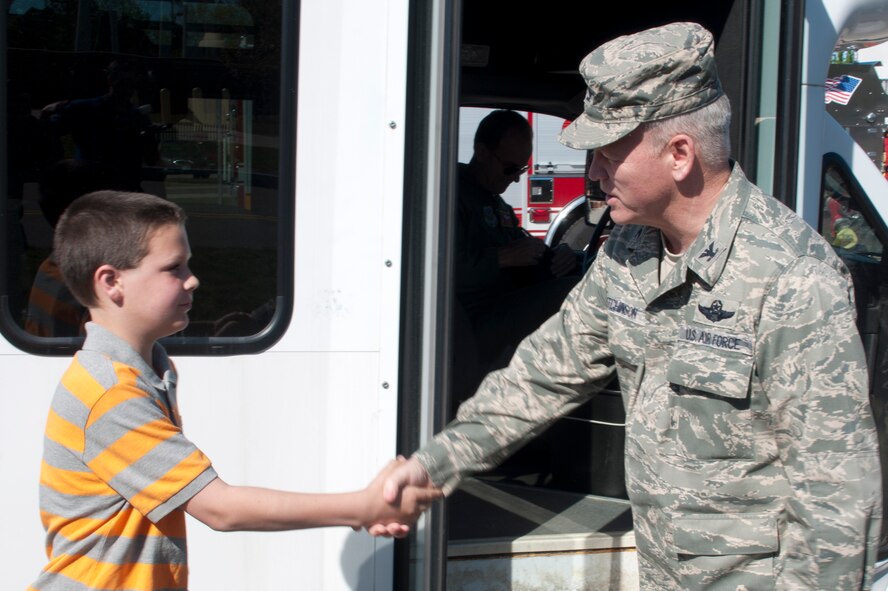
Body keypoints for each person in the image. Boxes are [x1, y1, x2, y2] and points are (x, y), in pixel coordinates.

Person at [373, 22, 882, 589]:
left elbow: (837, 500)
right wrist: (433, 465)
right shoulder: (630, 252)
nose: (592, 174)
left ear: (679, 154)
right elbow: (545, 375)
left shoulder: (791, 278)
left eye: (608, 155)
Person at [28, 191, 439, 591]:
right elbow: (220, 508)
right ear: (112, 281)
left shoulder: (148, 370)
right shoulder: (110, 392)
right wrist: (365, 506)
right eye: (174, 267)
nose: (193, 279)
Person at [454, 110, 579, 395]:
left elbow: (522, 252)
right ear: (482, 152)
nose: (516, 180)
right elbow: (441, 273)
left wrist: (557, 257)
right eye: (510, 169)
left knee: (579, 283)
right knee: (578, 294)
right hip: (472, 322)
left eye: (521, 171)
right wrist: (502, 258)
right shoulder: (451, 195)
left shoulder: (495, 203)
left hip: (503, 304)